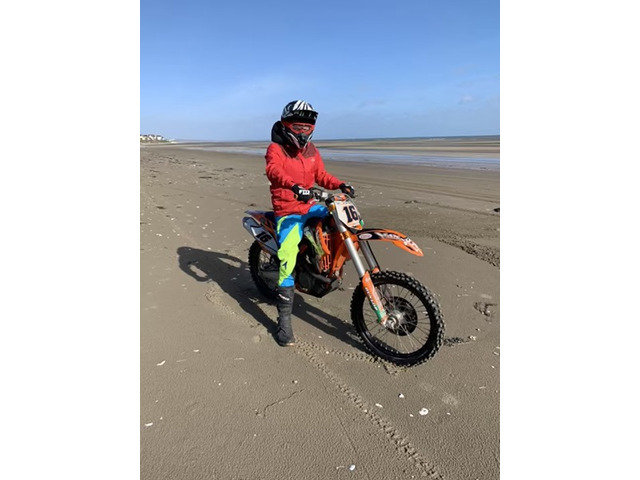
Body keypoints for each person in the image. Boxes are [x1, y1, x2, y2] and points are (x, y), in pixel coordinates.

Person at [265, 100, 355, 346]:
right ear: (286, 125)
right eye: (298, 127)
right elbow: (273, 171)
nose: (303, 132)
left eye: (307, 127)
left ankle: (326, 268)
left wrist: (340, 184)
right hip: (288, 210)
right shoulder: (276, 149)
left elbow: (321, 175)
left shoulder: (311, 150)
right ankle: (284, 322)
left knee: (339, 222)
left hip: (310, 205)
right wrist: (293, 186)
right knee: (287, 255)